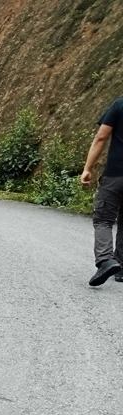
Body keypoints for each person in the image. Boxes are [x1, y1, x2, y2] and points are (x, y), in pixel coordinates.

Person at [82, 98, 123, 286]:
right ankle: (121, 266)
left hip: (116, 174)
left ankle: (105, 260)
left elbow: (101, 137)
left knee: (103, 219)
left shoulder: (119, 104)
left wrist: (87, 168)